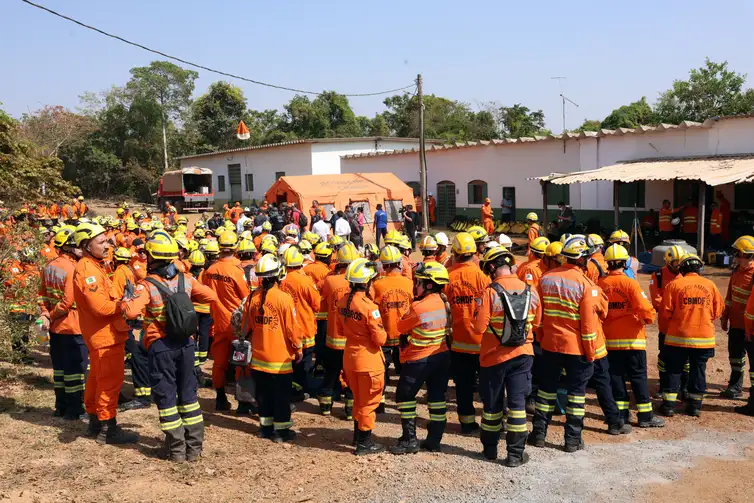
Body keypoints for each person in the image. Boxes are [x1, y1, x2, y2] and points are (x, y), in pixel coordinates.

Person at [121, 232, 218, 462]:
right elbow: (211, 297)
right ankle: (194, 449)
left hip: (161, 346)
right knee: (189, 396)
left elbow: (131, 312)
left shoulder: (147, 286)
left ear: (152, 257)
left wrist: (126, 301)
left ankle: (175, 450)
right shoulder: (187, 280)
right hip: (186, 344)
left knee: (166, 399)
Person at [530, 236, 606, 453]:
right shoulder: (586, 285)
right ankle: (572, 440)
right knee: (576, 394)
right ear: (582, 259)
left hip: (550, 345)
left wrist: (543, 339)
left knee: (545, 391)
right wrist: (591, 353)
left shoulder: (545, 279)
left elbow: (538, 318)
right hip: (577, 349)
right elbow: (589, 325)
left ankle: (538, 434)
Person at [72, 222, 138, 444]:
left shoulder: (94, 266)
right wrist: (123, 304)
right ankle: (108, 428)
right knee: (109, 382)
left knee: (96, 379)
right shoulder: (88, 270)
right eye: (101, 242)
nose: (108, 245)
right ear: (86, 246)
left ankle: (95, 422)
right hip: (104, 335)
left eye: (107, 240)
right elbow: (100, 307)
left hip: (103, 334)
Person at [474, 246, 541, 466]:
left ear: (492, 267)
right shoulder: (531, 290)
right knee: (518, 405)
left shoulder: (490, 292)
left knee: (492, 407)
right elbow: (537, 323)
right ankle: (515, 454)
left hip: (493, 358)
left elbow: (478, 327)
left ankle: (490, 450)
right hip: (523, 355)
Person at [387, 261, 453, 455]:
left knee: (405, 396)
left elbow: (400, 328)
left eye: (419, 282)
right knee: (437, 399)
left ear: (429, 285)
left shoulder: (419, 307)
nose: (416, 285)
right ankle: (434, 440)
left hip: (419, 360)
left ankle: (409, 440)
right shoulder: (444, 302)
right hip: (442, 357)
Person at [599, 244, 664, 428]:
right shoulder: (630, 283)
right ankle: (645, 417)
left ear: (608, 263)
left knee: (616, 377)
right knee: (638, 377)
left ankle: (621, 416)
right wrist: (648, 318)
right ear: (624, 262)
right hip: (633, 341)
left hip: (610, 341)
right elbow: (646, 309)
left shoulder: (600, 283)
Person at [238, 255, 302, 442]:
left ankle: (265, 429)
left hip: (258, 357)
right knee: (281, 397)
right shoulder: (284, 299)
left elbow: (245, 326)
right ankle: (281, 432)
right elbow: (292, 329)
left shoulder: (252, 297)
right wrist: (298, 348)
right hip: (280, 359)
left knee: (263, 395)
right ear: (278, 275)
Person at [659, 254, 723, 417]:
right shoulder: (710, 285)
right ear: (699, 268)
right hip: (704, 339)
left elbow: (666, 312)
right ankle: (695, 406)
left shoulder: (674, 285)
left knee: (674, 370)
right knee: (698, 370)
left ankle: (668, 406)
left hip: (677, 338)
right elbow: (717, 311)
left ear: (682, 269)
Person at [338, 258, 387, 455]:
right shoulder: (370, 308)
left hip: (350, 358)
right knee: (368, 403)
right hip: (368, 361)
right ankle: (365, 443)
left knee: (358, 399)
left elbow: (341, 329)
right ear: (367, 283)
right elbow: (381, 339)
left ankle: (358, 437)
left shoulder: (342, 302)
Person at [38, 228, 87, 420]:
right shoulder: (73, 269)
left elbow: (41, 295)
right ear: (68, 247)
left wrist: (46, 314)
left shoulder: (49, 266)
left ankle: (60, 406)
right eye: (78, 245)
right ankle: (75, 410)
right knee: (75, 372)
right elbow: (68, 302)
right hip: (72, 326)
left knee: (59, 370)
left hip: (56, 328)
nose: (81, 249)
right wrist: (52, 314)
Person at [446, 232, 490, 432]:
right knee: (489, 386)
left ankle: (467, 423)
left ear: (455, 253)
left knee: (463, 386)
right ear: (473, 253)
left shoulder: (448, 276)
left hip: (458, 343)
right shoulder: (483, 277)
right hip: (483, 343)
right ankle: (493, 422)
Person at [202, 231, 251, 411]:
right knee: (241, 361)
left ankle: (220, 398)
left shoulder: (210, 270)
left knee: (219, 362)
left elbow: (204, 293)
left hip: (218, 322)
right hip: (237, 324)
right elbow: (246, 297)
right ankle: (243, 403)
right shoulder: (237, 271)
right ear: (235, 248)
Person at [317, 244, 359, 418]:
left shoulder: (330, 281)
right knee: (351, 376)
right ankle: (350, 410)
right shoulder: (358, 282)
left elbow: (323, 302)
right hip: (351, 339)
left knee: (330, 374)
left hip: (333, 338)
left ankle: (326, 408)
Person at [373, 245, 414, 414]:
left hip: (386, 334)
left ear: (383, 265)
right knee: (405, 370)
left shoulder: (377, 285)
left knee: (382, 369)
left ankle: (380, 401)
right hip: (405, 334)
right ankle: (404, 399)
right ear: (399, 263)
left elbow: (373, 310)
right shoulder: (409, 283)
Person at [110, 247, 152, 411]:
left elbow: (118, 296)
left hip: (127, 319)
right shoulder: (129, 271)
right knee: (137, 354)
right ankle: (144, 393)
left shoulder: (119, 273)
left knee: (136, 355)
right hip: (137, 318)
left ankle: (143, 396)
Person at [280, 247, 321, 401]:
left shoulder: (280, 279)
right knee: (304, 364)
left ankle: (292, 387)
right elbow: (317, 304)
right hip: (304, 328)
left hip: (285, 330)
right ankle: (301, 389)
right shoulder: (305, 281)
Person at [649, 245, 687, 397]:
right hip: (666, 326)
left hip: (683, 326)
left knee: (686, 360)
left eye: (680, 263)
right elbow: (656, 299)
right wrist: (674, 309)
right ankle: (664, 386)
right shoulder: (658, 275)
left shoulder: (686, 275)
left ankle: (684, 387)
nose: (678, 266)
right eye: (676, 263)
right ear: (668, 262)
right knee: (664, 357)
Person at [720, 236, 754, 399]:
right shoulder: (737, 271)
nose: (736, 256)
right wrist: (724, 316)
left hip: (751, 328)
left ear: (749, 256)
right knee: (735, 358)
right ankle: (735, 387)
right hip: (736, 325)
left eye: (739, 254)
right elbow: (730, 296)